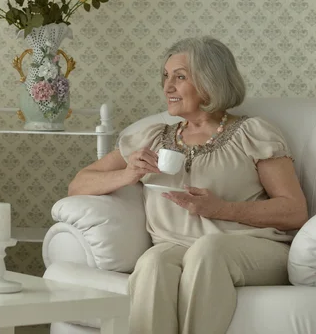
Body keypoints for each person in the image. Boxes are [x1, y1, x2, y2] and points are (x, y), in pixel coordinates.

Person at [68, 36, 308, 334]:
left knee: (207, 251)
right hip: (178, 248)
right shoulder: (152, 137)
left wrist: (222, 209)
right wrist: (128, 174)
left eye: (179, 77)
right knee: (153, 262)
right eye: (166, 76)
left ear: (211, 82)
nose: (167, 87)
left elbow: (294, 211)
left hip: (253, 247)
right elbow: (78, 184)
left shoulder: (253, 133)